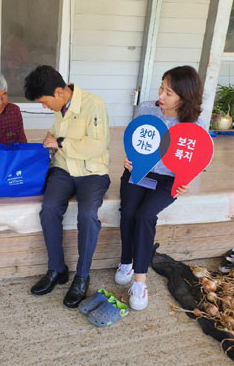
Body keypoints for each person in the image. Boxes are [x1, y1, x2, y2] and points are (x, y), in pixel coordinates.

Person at [116, 65, 205, 311]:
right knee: (128, 212)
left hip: (168, 180)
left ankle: (140, 281)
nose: (161, 96)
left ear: (184, 97)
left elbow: (199, 158)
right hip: (139, 171)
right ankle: (126, 262)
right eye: (161, 88)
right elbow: (135, 139)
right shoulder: (146, 109)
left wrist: (186, 180)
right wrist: (129, 158)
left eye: (169, 93)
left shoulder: (194, 124)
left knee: (145, 216)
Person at [24, 65, 110, 308]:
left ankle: (82, 276)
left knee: (87, 214)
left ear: (59, 92)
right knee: (49, 208)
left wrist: (60, 142)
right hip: (63, 170)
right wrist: (50, 139)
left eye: (44, 101)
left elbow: (97, 144)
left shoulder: (94, 104)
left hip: (92, 172)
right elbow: (57, 132)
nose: (44, 106)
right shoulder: (59, 107)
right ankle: (57, 269)